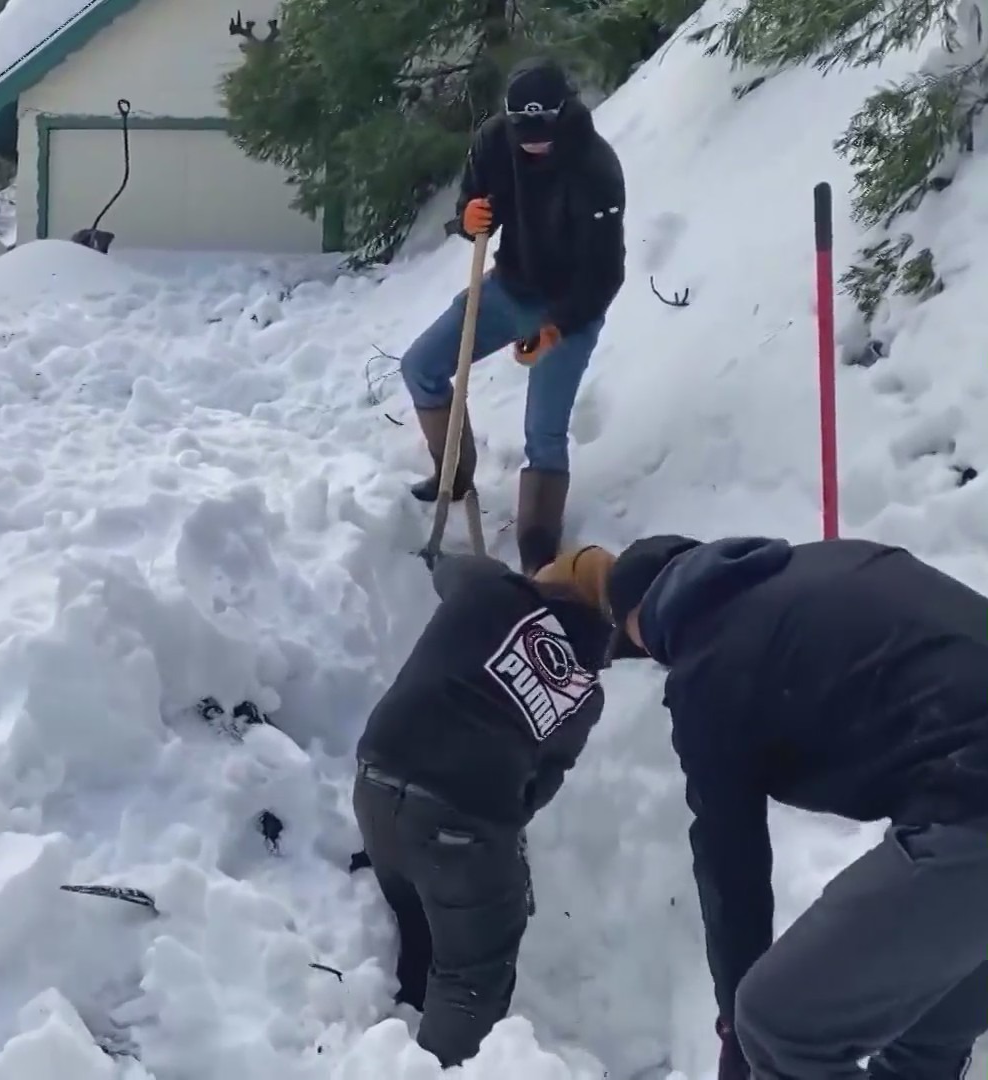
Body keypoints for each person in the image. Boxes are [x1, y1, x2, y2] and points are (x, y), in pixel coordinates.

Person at [602, 534, 988, 1080]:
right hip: (968, 789)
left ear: (643, 615)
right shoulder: (822, 565)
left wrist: (737, 1027)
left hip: (973, 800)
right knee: (927, 1024)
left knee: (779, 1027)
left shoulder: (708, 666)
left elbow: (731, 870)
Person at [352, 546, 615, 1067]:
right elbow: (544, 779)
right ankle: (435, 1067)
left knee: (417, 918)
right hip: (461, 823)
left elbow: (449, 565)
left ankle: (401, 1018)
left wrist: (436, 556)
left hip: (376, 782)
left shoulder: (488, 588)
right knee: (472, 978)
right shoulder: (585, 691)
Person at [399, 56, 627, 574]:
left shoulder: (595, 167)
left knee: (543, 434)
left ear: (560, 114)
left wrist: (556, 328)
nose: (531, 142)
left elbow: (605, 274)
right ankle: (453, 474)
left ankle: (538, 550)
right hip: (509, 288)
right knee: (421, 366)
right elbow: (476, 199)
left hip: (571, 306)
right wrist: (469, 216)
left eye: (540, 130)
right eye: (522, 130)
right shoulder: (496, 141)